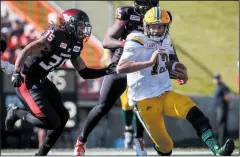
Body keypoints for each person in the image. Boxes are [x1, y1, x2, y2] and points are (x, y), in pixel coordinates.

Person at [116, 7, 235, 156]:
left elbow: (167, 63)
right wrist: (148, 63)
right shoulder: (135, 40)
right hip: (144, 101)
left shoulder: (166, 39)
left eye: (160, 26)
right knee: (166, 147)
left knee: (195, 113)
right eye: (153, 27)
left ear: (166, 27)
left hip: (164, 94)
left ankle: (217, 150)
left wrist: (179, 71)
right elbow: (121, 67)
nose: (157, 30)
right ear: (146, 26)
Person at [74, 0, 179, 155]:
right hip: (123, 65)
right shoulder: (128, 15)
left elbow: (168, 44)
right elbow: (107, 41)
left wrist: (175, 65)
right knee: (102, 107)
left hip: (145, 68)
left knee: (144, 103)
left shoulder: (159, 17)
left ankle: (139, 140)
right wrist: (129, 44)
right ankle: (81, 141)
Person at [5, 8, 116, 156]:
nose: (83, 30)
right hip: (27, 81)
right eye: (80, 26)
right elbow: (27, 49)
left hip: (42, 81)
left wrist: (106, 70)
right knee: (49, 122)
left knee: (63, 117)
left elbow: (84, 72)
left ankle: (42, 153)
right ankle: (15, 112)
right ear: (69, 24)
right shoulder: (55, 35)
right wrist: (16, 71)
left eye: (84, 26)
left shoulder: (76, 43)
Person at [212, 73, 231, 146]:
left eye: (217, 78)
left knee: (221, 125)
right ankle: (227, 142)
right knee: (222, 126)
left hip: (222, 108)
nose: (216, 80)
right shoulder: (218, 87)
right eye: (215, 78)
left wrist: (226, 107)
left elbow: (227, 97)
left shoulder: (222, 86)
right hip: (219, 108)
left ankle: (221, 143)